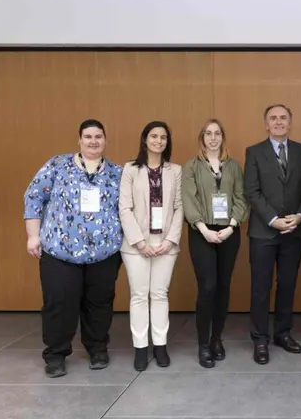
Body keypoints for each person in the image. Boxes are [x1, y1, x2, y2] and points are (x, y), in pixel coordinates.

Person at [23, 119, 124, 378]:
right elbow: (34, 197)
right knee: (59, 303)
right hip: (60, 252)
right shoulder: (57, 165)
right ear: (79, 140)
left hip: (104, 253)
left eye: (98, 136)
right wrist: (33, 236)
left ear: (105, 140)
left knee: (99, 303)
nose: (93, 141)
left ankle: (98, 349)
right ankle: (56, 354)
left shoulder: (117, 172)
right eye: (88, 136)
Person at [243, 104, 301, 365]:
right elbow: (251, 191)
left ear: (290, 122)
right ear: (266, 124)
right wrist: (273, 220)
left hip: (293, 231)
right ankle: (260, 339)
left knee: (287, 284)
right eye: (273, 118)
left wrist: (300, 215)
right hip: (263, 232)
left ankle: (283, 333)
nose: (278, 122)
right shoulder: (254, 152)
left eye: (283, 118)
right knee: (260, 287)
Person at [183, 119, 248, 368]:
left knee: (223, 286)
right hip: (201, 232)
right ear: (202, 138)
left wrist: (232, 227)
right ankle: (202, 344)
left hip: (229, 232)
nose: (213, 138)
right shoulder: (192, 166)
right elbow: (189, 200)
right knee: (208, 286)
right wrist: (204, 229)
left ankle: (216, 339)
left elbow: (241, 198)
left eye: (217, 133)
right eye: (208, 134)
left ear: (223, 137)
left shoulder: (233, 166)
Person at [119, 121, 183, 371]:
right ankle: (140, 348)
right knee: (138, 295)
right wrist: (140, 242)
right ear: (144, 139)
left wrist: (169, 240)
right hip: (136, 246)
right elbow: (124, 208)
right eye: (154, 136)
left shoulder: (175, 170)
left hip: (166, 245)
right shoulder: (130, 170)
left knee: (159, 294)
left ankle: (160, 345)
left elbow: (179, 207)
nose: (158, 141)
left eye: (163, 137)